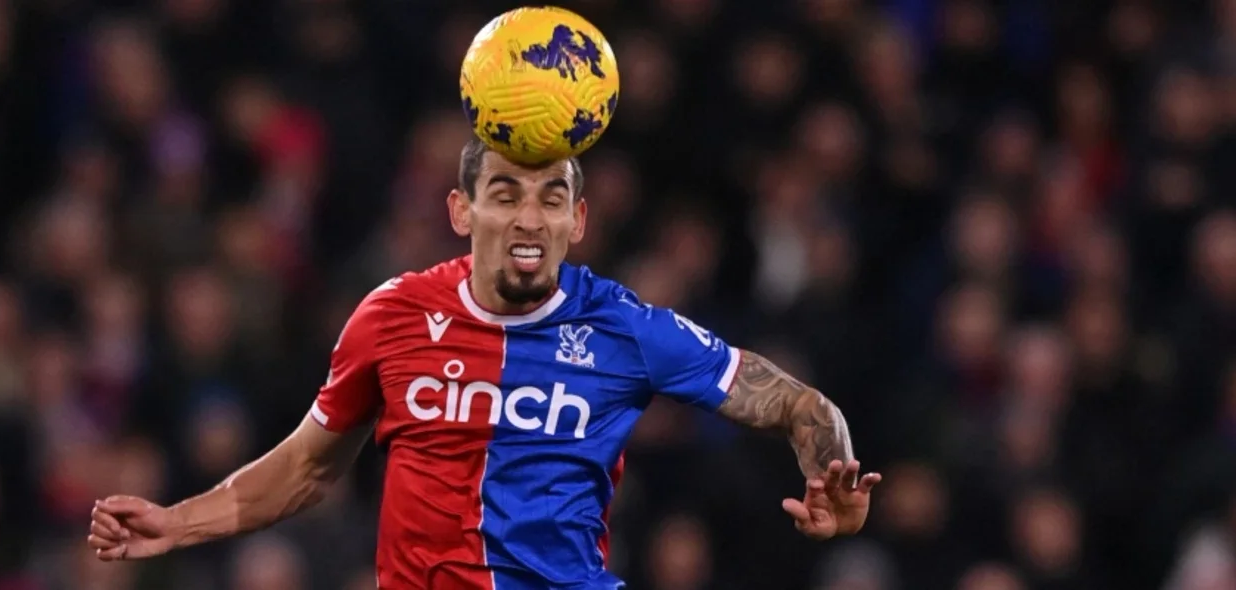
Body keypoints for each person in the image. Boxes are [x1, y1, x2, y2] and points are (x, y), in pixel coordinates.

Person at [86, 138, 883, 589]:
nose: (527, 216)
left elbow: (791, 402)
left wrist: (833, 468)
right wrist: (176, 521)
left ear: (578, 219)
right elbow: (308, 468)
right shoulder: (391, 316)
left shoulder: (625, 328)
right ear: (461, 210)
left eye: (549, 198)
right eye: (504, 193)